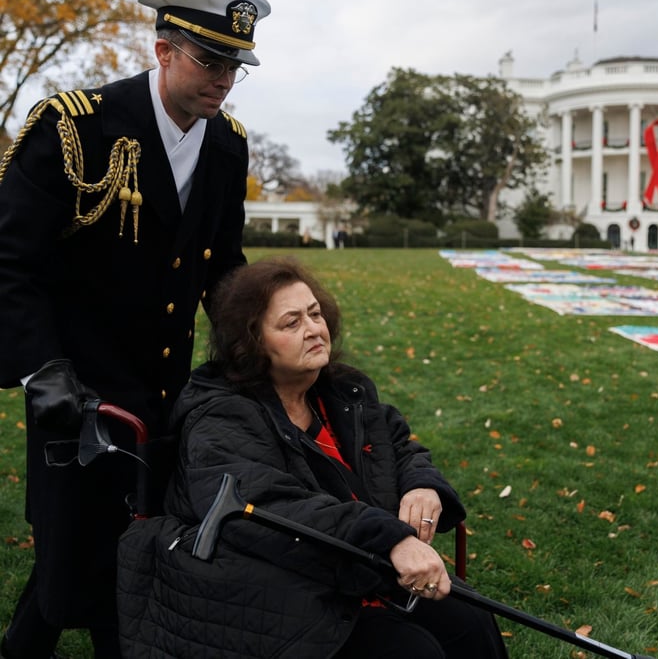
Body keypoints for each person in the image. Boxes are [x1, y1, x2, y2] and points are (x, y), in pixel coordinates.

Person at [0, 0, 271, 657]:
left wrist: (258, 348)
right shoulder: (75, 126)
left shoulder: (228, 146)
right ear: (162, 50)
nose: (225, 81)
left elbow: (223, 265)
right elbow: (10, 262)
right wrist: (42, 370)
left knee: (128, 543)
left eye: (235, 66)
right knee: (76, 550)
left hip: (165, 388)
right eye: (210, 62)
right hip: (74, 387)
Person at [117, 257, 508, 658]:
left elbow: (398, 445)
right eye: (291, 323)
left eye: (315, 314)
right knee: (411, 650)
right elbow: (270, 508)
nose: (313, 330)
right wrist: (388, 539)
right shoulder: (221, 415)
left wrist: (422, 484)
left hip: (359, 568)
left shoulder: (342, 390)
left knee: (468, 619)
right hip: (271, 588)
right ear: (249, 343)